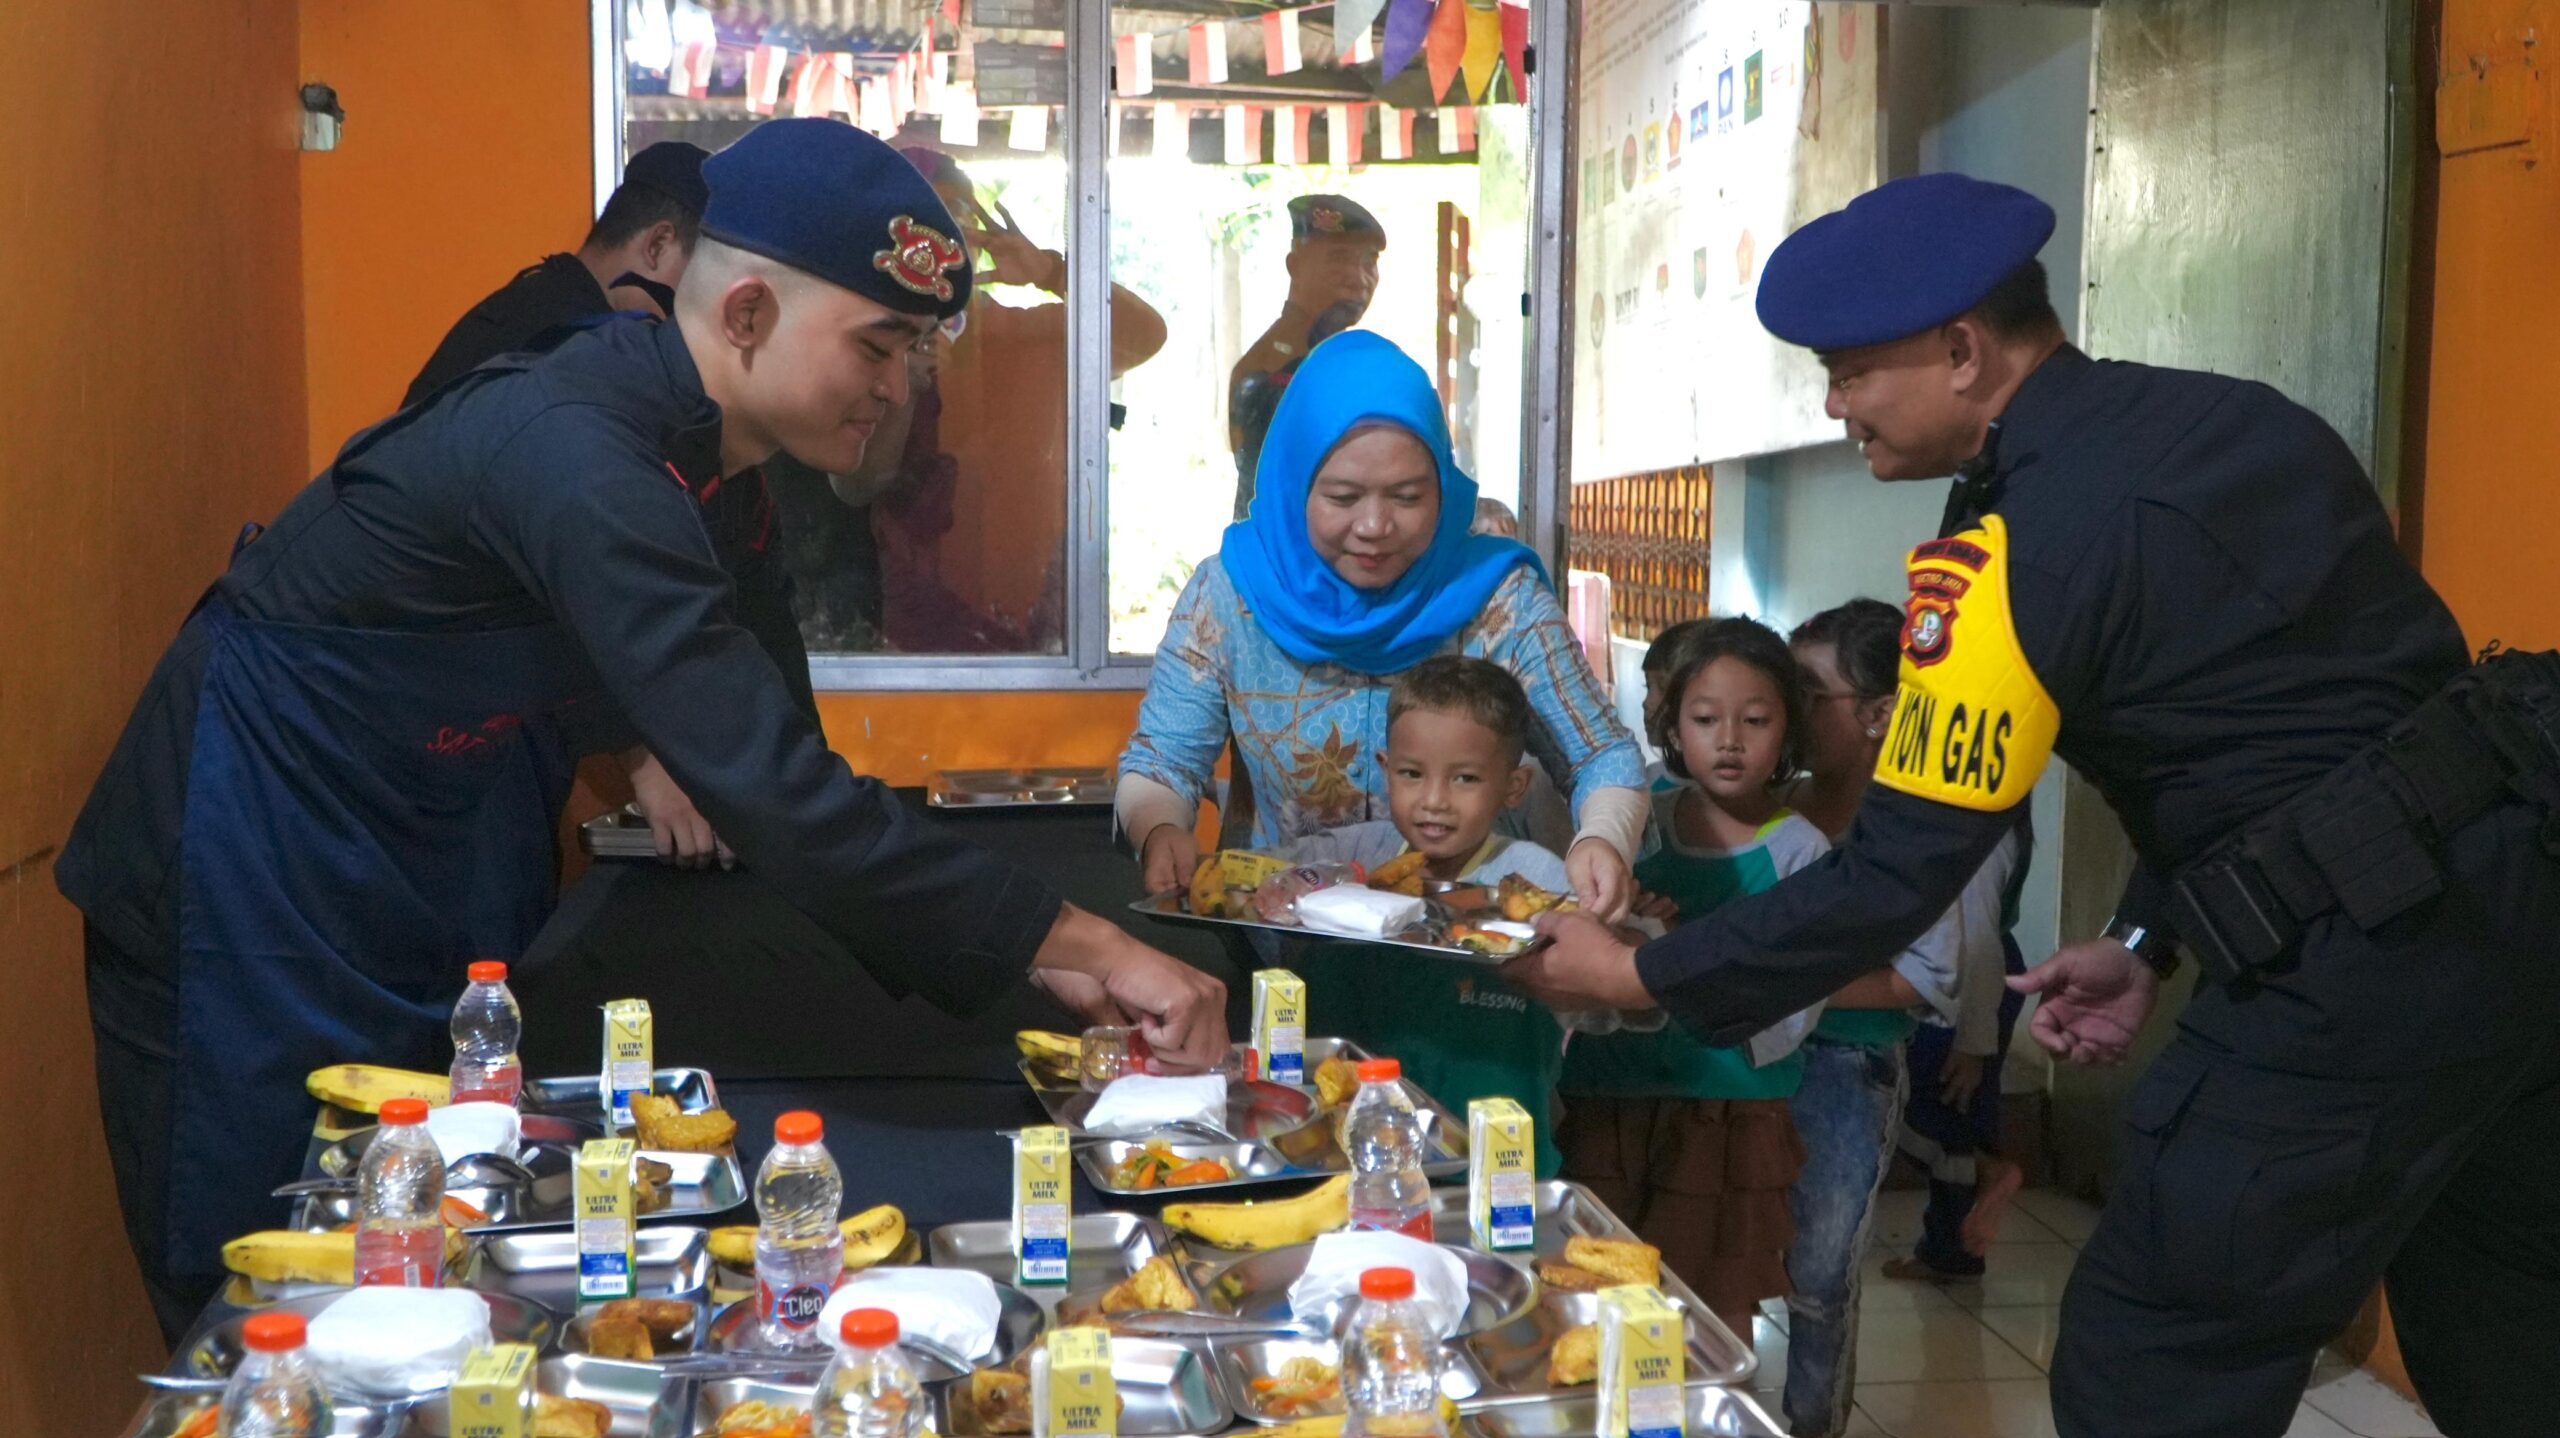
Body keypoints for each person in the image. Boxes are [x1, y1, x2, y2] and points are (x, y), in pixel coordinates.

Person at [58, 119, 1227, 1341]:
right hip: (248, 858)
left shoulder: (722, 465)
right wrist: (1088, 938)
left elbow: (778, 763)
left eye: (916, 349)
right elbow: (776, 795)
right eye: (878, 345)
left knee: (425, 1248)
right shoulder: (584, 452)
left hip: (410, 847)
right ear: (747, 315)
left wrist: (1027, 949)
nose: (901, 387)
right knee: (276, 1286)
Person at [1500, 172, 2560, 1437]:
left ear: (1961, 350)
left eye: (1849, 372)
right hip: (2521, 915)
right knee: (2511, 1329)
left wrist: (1644, 976)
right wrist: (2139, 939)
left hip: (2359, 978)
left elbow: (1895, 869)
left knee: (2153, 1357)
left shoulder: (2017, 550)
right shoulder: (2241, 424)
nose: (1833, 405)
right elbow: (2302, 738)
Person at [1117, 330, 1646, 927]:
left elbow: (1601, 756)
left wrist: (1601, 840)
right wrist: (1159, 827)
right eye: (1343, 497)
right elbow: (1163, 761)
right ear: (1294, 486)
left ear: (1443, 491)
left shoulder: (1503, 602)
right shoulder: (1228, 597)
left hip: (1469, 946)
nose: (1374, 525)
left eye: (1407, 496)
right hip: (1285, 942)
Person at [399, 138, 809, 868]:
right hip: (435, 716)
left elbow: (752, 577)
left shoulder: (672, 386)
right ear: (657, 248)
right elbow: (558, 578)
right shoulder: (530, 351)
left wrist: (800, 784)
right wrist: (646, 759)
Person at [1777, 597, 2027, 1438]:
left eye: (1809, 693)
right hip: (1751, 1065)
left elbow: (1929, 979)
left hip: (1849, 1068)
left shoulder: (1913, 828)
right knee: (1738, 1254)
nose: (1788, 708)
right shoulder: (1776, 804)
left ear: (1882, 714)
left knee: (1819, 1275)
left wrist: (1774, 982)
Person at [1558, 617, 1825, 1338]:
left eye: (1756, 720)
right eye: (1706, 719)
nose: (1730, 740)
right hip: (1610, 1092)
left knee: (1714, 1297)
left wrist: (1676, 951)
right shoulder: (1633, 819)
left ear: (1789, 729)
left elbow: (1794, 998)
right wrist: (1622, 924)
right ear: (1671, 725)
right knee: (1597, 1289)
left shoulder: (1801, 852)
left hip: (1725, 1109)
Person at [839, 146, 1168, 654]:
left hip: (1036, 624)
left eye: (960, 218)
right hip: (906, 630)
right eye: (923, 222)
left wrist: (1051, 273)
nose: (945, 240)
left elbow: (1144, 335)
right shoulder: (859, 346)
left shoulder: (1017, 332)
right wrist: (903, 376)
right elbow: (857, 485)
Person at [1274, 657, 1595, 1177]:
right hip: (1350, 1158)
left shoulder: (1537, 880)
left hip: (1498, 1165)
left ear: (1514, 786)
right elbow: (1257, 882)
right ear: (1384, 769)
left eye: (1465, 778)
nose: (1434, 801)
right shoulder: (1353, 854)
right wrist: (1288, 886)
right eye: (1411, 774)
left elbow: (1594, 997)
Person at [403, 141, 710, 404]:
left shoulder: (535, 302)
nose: (700, 307)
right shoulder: (574, 348)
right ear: (657, 244)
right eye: (700, 278)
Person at [1230, 194, 1388, 519]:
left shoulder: (1339, 362)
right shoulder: (1271, 371)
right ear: (1296, 266)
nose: (1359, 278)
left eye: (1369, 261)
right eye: (1338, 259)